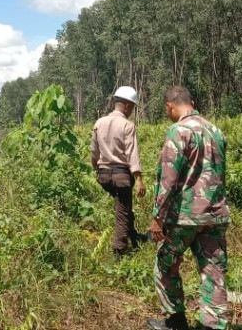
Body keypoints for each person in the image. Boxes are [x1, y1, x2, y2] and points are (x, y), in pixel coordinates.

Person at [146, 86, 230, 330]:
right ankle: (212, 326)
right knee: (213, 273)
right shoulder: (216, 131)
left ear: (170, 106)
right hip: (214, 215)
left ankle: (176, 322)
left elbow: (168, 179)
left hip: (184, 217)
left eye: (166, 110)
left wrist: (157, 217)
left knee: (165, 264)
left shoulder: (178, 131)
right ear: (192, 102)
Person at [91, 86, 147, 257]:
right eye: (132, 108)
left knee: (124, 208)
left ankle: (135, 238)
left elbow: (94, 151)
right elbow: (132, 154)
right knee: (122, 213)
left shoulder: (99, 123)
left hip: (104, 175)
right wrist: (138, 179)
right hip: (121, 176)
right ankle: (119, 252)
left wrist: (96, 169)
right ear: (127, 106)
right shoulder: (127, 125)